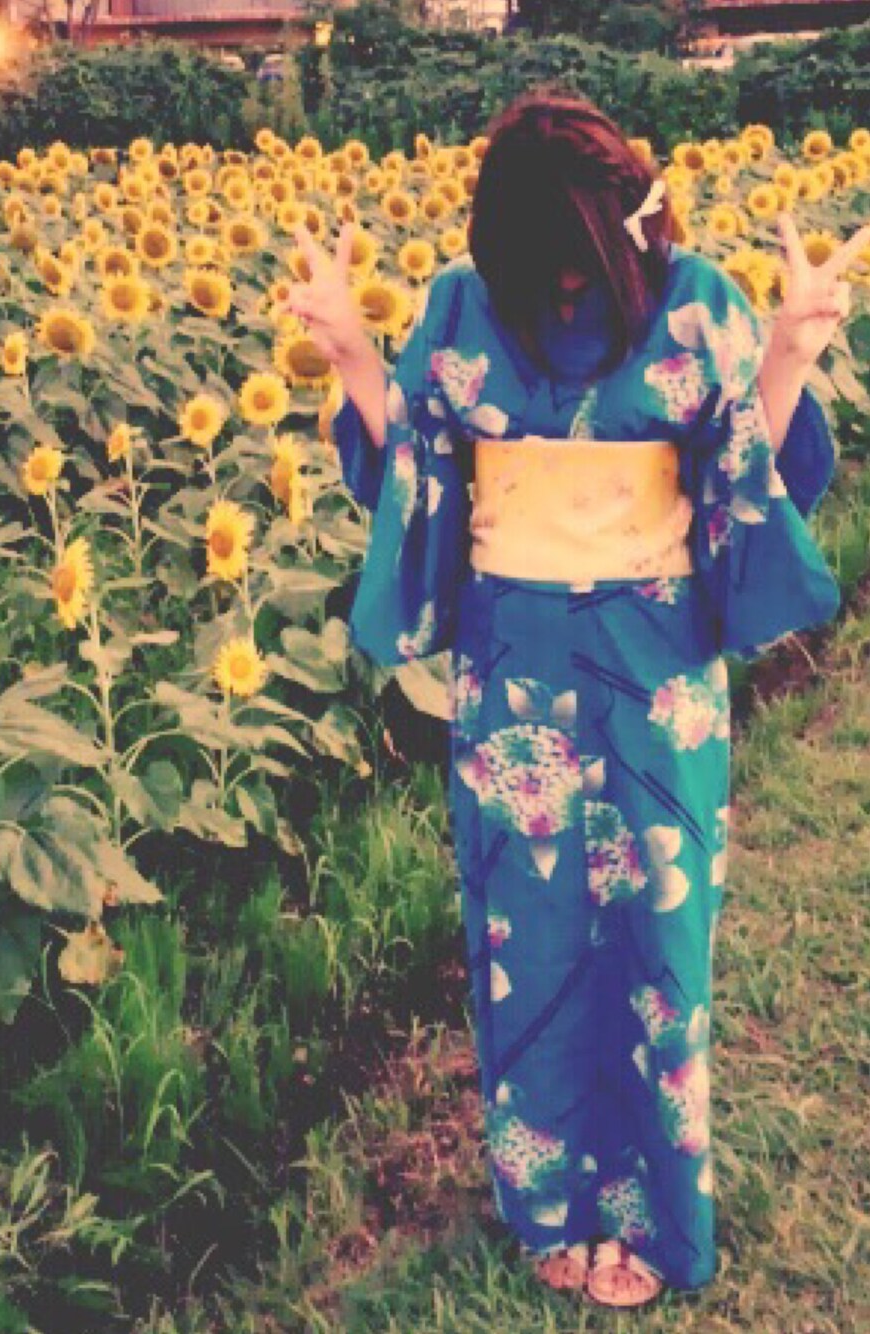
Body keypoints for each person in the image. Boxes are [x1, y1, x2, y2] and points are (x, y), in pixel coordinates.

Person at [286, 88, 868, 1308]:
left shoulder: (693, 298)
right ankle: (550, 1198)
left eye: (574, 257)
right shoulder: (463, 301)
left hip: (656, 667)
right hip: (515, 669)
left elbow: (742, 476)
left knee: (658, 936)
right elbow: (419, 470)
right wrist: (347, 352)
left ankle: (652, 1209)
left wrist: (787, 352)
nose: (558, 288)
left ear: (620, 223)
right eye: (535, 259)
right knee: (529, 938)